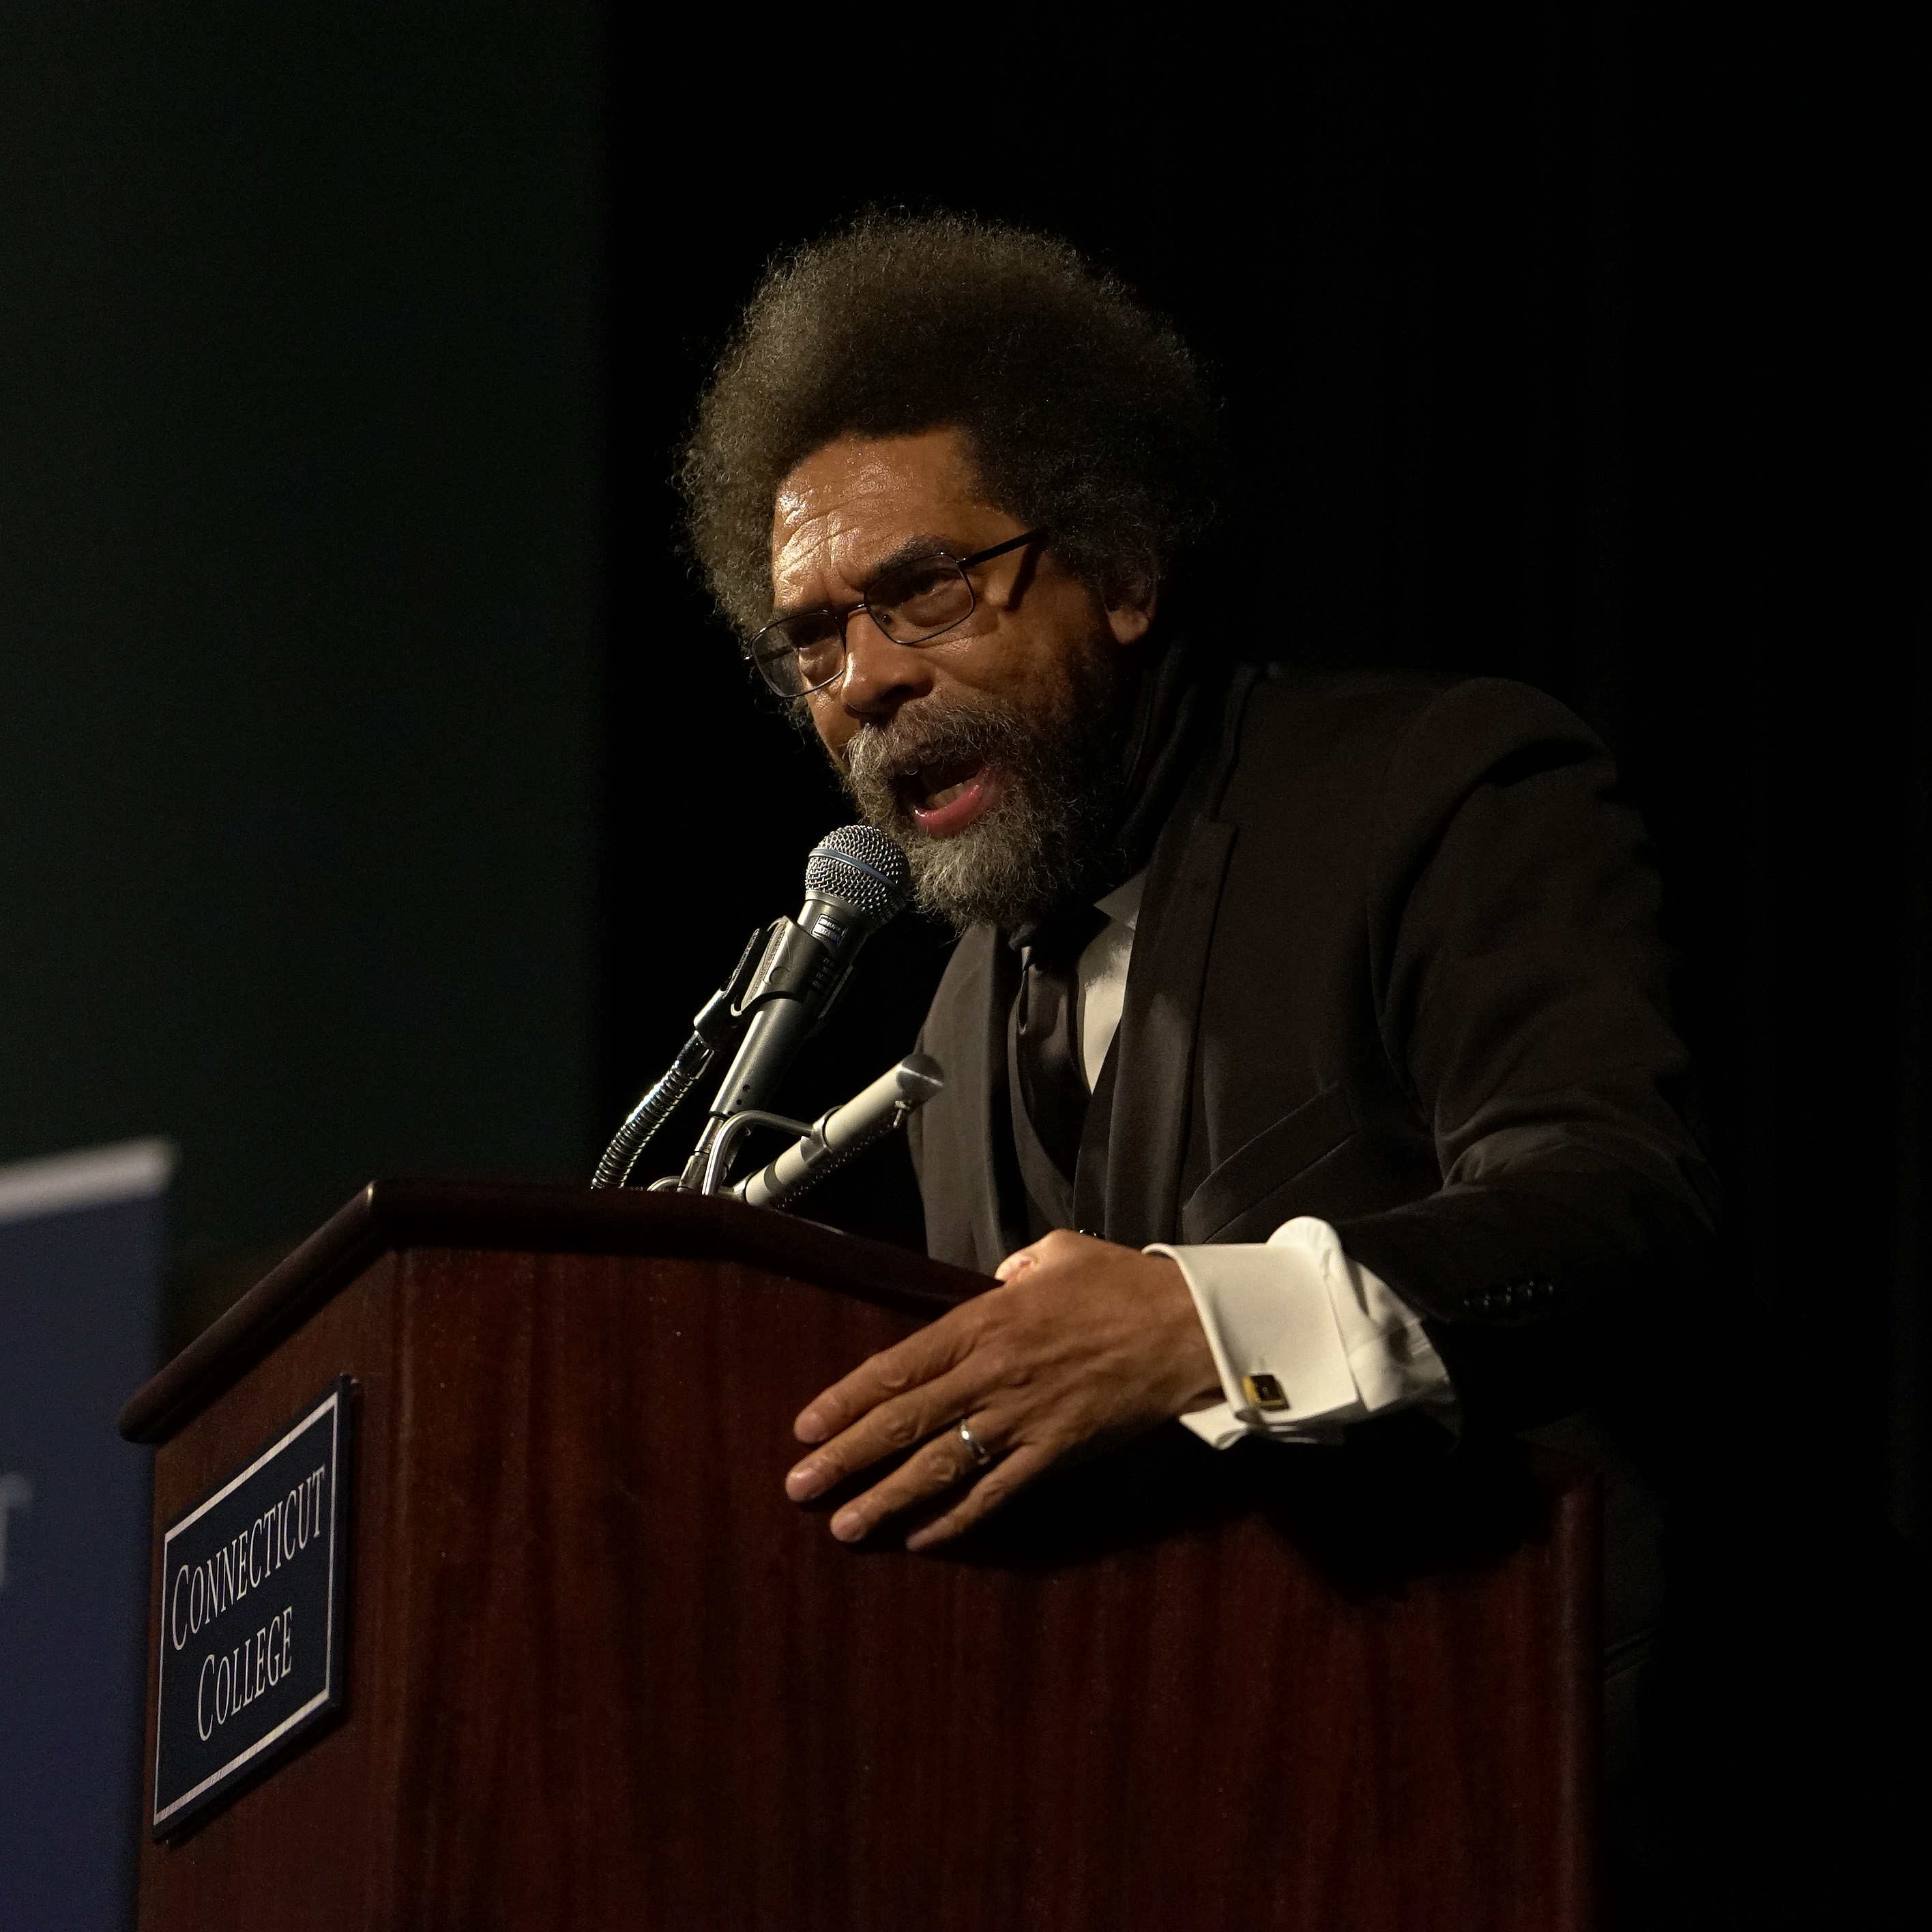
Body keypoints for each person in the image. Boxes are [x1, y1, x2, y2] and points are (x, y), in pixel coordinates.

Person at [673, 214, 1918, 1923]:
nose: (867, 681)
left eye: (925, 590)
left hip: (1595, 1838)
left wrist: (1202, 1321)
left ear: (1120, 566)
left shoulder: (1438, 789)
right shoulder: (954, 1024)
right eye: (811, 639)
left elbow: (1622, 1204)